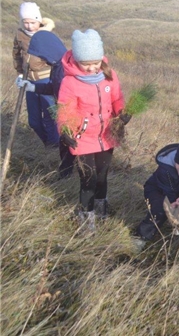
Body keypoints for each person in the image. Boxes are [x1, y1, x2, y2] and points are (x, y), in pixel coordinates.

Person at [56, 29, 128, 234]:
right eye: (86, 64)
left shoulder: (109, 75)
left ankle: (101, 209)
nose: (91, 68)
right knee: (87, 180)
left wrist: (122, 112)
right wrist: (65, 130)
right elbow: (65, 110)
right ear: (77, 60)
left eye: (95, 63)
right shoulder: (70, 82)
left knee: (102, 177)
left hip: (107, 136)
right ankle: (86, 218)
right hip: (83, 139)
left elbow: (116, 98)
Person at [17, 30, 76, 179]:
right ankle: (66, 176)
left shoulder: (64, 69)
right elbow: (53, 88)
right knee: (66, 147)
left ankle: (68, 178)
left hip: (72, 116)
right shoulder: (57, 65)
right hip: (65, 115)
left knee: (71, 148)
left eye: (42, 55)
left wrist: (69, 119)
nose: (42, 59)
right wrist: (31, 87)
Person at [13, 2, 59, 147]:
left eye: (32, 22)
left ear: (38, 21)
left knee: (51, 117)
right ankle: (47, 143)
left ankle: (53, 147)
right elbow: (16, 55)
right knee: (34, 121)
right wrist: (20, 73)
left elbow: (57, 59)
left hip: (46, 81)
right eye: (25, 22)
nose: (29, 26)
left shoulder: (46, 35)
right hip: (29, 82)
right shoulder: (20, 35)